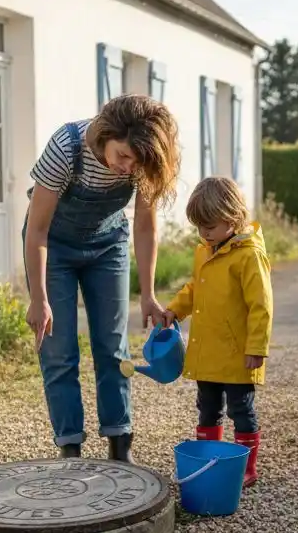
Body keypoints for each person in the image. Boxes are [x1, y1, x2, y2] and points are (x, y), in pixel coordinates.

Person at [23, 95, 180, 462]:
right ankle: (70, 450)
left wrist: (148, 295)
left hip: (108, 245)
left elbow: (144, 227)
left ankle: (120, 447)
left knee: (113, 348)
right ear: (105, 135)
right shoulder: (65, 148)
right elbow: (37, 231)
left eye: (135, 161)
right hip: (54, 247)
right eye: (122, 156)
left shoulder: (142, 159)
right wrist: (39, 297)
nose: (127, 167)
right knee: (58, 351)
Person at [164, 177, 273, 488]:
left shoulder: (249, 255)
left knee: (241, 409)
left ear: (232, 216)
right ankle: (209, 458)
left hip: (239, 354)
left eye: (209, 226)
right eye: (199, 227)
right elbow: (197, 288)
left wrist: (256, 347)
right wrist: (175, 310)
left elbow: (261, 305)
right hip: (209, 352)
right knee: (207, 407)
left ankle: (246, 468)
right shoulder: (205, 250)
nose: (204, 233)